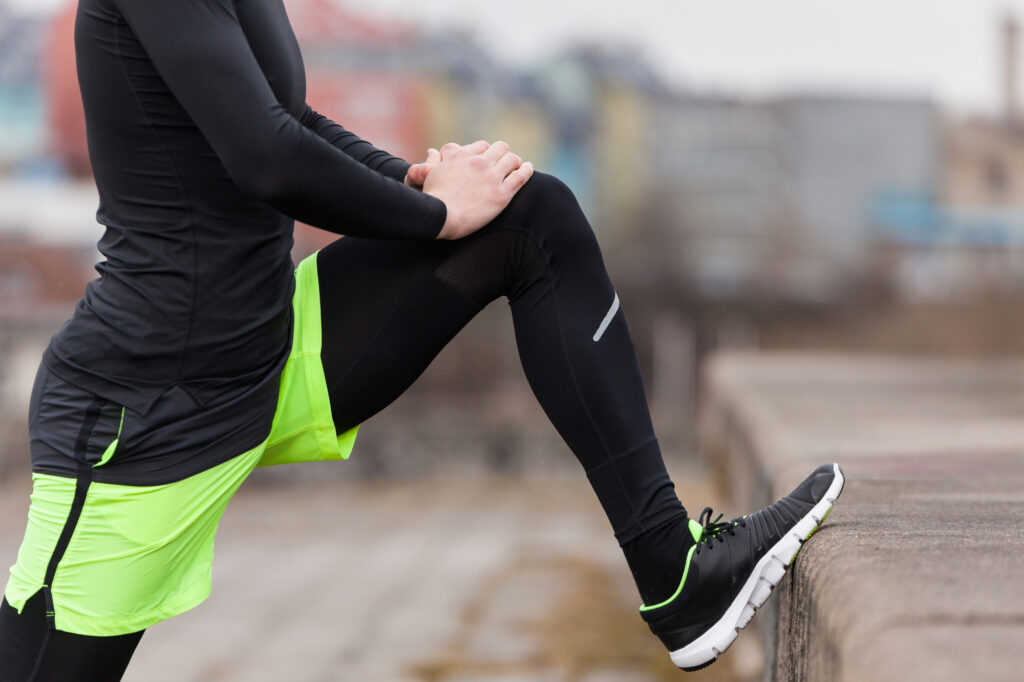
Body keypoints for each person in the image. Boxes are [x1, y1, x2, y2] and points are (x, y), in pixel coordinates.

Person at [0, 0, 844, 679]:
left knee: (528, 219)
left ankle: (674, 571)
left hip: (270, 352)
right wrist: (436, 215)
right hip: (142, 418)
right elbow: (267, 159)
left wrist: (414, 179)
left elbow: (285, 117)